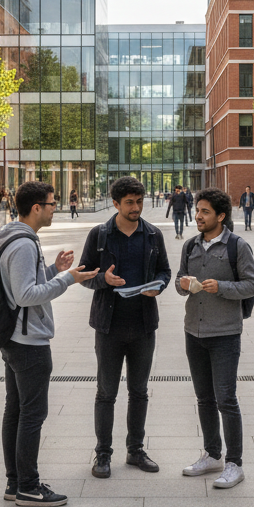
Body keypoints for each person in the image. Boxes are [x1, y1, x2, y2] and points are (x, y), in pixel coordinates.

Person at [0, 180, 98, 507]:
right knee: (31, 414)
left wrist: (54, 269)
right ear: (37, 207)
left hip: (13, 337)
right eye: (52, 204)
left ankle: (15, 482)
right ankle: (28, 485)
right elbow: (26, 295)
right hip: (28, 342)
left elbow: (20, 284)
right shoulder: (24, 244)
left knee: (16, 409)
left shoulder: (12, 237)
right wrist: (67, 279)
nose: (55, 209)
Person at [79, 177, 170, 479]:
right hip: (109, 326)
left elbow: (165, 271)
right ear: (115, 203)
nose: (136, 207)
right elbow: (84, 275)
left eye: (140, 201)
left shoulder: (153, 235)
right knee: (106, 392)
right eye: (130, 202)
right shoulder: (100, 235)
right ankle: (103, 454)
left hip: (143, 325)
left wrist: (159, 287)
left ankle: (136, 450)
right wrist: (104, 279)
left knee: (139, 391)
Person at [175, 187, 254, 489]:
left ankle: (235, 463)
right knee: (204, 398)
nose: (198, 216)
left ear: (220, 216)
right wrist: (184, 285)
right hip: (193, 331)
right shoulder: (190, 246)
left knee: (226, 399)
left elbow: (251, 285)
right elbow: (178, 281)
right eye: (197, 210)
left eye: (205, 212)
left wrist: (220, 287)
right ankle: (213, 455)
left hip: (224, 334)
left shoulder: (237, 246)